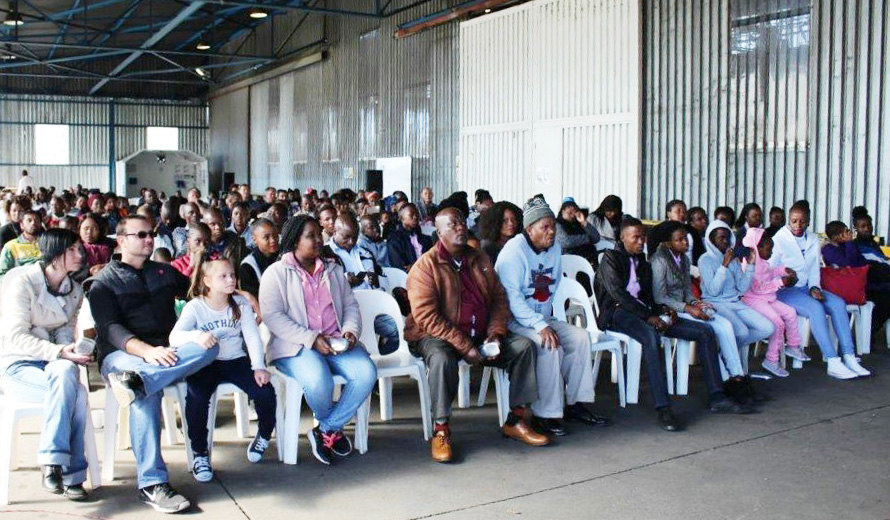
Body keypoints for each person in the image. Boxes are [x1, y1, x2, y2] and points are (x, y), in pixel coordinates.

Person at [89, 215, 219, 513]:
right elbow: (110, 329)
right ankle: (152, 483)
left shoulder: (164, 272)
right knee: (143, 397)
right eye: (141, 235)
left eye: (151, 234)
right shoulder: (102, 283)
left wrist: (238, 295)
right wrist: (146, 351)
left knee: (208, 346)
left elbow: (200, 292)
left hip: (166, 351)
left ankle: (139, 383)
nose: (150, 239)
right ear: (121, 241)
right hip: (122, 354)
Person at [406, 207, 548, 462]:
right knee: (441, 359)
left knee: (524, 346)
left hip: (479, 332)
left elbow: (498, 299)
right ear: (438, 232)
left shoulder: (479, 259)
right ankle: (441, 430)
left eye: (461, 222)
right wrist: (464, 346)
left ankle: (515, 420)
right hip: (438, 335)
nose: (460, 227)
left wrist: (495, 334)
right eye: (452, 225)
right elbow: (427, 318)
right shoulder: (425, 267)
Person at [594, 218, 753, 432]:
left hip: (644, 312)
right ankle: (663, 408)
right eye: (636, 237)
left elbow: (649, 294)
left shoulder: (642, 260)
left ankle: (717, 397)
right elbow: (619, 296)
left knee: (705, 332)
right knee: (651, 336)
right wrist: (650, 317)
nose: (641, 242)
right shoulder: (610, 259)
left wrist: (663, 310)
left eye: (643, 237)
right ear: (622, 238)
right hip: (618, 312)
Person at [259, 215, 376, 466]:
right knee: (318, 380)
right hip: (296, 346)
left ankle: (325, 429)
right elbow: (273, 317)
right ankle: (332, 430)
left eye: (318, 234)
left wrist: (350, 331)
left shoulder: (333, 269)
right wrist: (311, 339)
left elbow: (350, 305)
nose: (318, 239)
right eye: (310, 236)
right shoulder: (276, 274)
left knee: (366, 373)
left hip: (336, 342)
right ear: (294, 241)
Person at [496, 195, 609, 437]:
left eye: (552, 226)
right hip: (514, 321)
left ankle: (575, 404)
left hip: (541, 318)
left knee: (580, 338)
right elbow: (512, 299)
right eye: (544, 227)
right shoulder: (513, 252)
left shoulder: (554, 248)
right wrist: (539, 324)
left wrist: (544, 320)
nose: (551, 232)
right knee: (549, 345)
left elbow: (554, 283)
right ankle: (544, 414)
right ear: (529, 229)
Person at [0, 228, 92, 501]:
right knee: (76, 394)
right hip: (18, 365)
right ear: (55, 253)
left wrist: (71, 350)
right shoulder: (23, 283)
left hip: (52, 364)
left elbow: (64, 330)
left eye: (80, 249)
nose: (80, 254)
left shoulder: (74, 290)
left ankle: (52, 462)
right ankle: (71, 474)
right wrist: (59, 350)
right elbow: (16, 336)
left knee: (67, 372)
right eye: (73, 249)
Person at [170, 255, 276, 482]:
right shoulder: (196, 307)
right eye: (223, 276)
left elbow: (251, 336)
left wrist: (259, 366)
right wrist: (198, 336)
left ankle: (264, 434)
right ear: (207, 281)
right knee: (197, 399)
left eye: (232, 275)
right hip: (206, 363)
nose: (230, 280)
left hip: (235, 360)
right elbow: (175, 337)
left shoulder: (240, 304)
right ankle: (200, 453)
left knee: (265, 391)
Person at [650, 222, 760, 402]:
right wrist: (689, 308)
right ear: (669, 243)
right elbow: (660, 296)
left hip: (687, 306)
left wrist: (697, 302)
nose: (686, 242)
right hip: (670, 310)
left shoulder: (684, 260)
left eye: (686, 238)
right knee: (710, 330)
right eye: (680, 240)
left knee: (724, 324)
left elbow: (686, 290)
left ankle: (737, 376)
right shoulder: (659, 260)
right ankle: (727, 380)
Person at [770, 201, 870, 379]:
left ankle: (849, 356)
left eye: (802, 221)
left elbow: (814, 269)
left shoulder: (813, 239)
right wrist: (783, 281)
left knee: (838, 303)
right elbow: (768, 271)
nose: (798, 225)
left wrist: (815, 287)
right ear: (788, 220)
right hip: (784, 291)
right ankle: (833, 361)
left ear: (808, 221)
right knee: (816, 309)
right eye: (794, 221)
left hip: (807, 288)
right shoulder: (779, 239)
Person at [697, 219, 775, 379]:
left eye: (727, 237)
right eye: (720, 238)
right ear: (711, 240)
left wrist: (751, 265)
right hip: (716, 302)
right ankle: (728, 355)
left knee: (768, 327)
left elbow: (741, 288)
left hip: (735, 302)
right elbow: (712, 290)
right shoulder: (705, 260)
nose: (725, 241)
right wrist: (723, 266)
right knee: (741, 331)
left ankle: (723, 351)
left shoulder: (732, 258)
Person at [326, 213, 400, 355]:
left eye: (354, 237)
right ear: (334, 232)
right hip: (344, 315)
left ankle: (378, 358)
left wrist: (377, 280)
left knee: (400, 331)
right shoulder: (324, 254)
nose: (351, 241)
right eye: (346, 237)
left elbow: (385, 279)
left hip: (372, 310)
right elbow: (321, 285)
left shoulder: (364, 252)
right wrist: (344, 281)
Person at [741, 227, 805, 377]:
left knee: (790, 312)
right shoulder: (749, 264)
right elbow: (758, 288)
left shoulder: (762, 261)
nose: (771, 253)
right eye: (769, 249)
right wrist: (781, 282)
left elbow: (769, 273)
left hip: (766, 298)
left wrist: (783, 270)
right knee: (777, 322)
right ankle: (771, 359)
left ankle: (793, 345)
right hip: (752, 300)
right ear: (757, 247)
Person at [822, 220, 890, 337]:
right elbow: (850, 264)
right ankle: (871, 330)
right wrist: (849, 243)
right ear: (837, 236)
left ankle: (872, 329)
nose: (849, 234)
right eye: (846, 231)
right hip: (849, 289)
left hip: (861, 282)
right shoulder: (829, 250)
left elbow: (861, 262)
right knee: (886, 297)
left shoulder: (847, 246)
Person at [239, 218, 279, 298]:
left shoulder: (284, 256)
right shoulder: (248, 266)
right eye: (266, 237)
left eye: (275, 235)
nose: (273, 240)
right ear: (254, 240)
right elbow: (253, 298)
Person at [555, 198, 601, 266]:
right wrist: (587, 238)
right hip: (567, 261)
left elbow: (596, 238)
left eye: (574, 209)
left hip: (586, 259)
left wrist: (584, 222)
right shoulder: (557, 224)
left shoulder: (579, 224)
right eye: (568, 208)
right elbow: (566, 241)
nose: (572, 211)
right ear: (562, 211)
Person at [387, 203, 432, 271]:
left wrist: (415, 266)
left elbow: (432, 260)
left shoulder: (426, 239)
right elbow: (399, 266)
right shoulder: (395, 239)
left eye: (417, 214)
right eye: (411, 215)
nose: (415, 217)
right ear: (402, 219)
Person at [0, 209, 42, 277]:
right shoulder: (11, 246)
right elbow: (2, 274)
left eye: (36, 220)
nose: (33, 223)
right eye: (29, 220)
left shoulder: (47, 244)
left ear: (40, 224)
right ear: (22, 225)